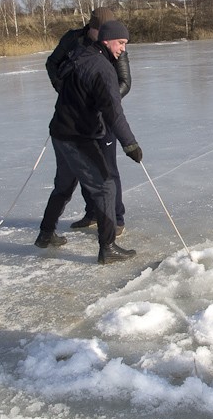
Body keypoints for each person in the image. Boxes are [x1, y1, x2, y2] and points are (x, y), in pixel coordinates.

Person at [35, 20, 143, 264]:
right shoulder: (103, 69)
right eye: (121, 43)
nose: (123, 49)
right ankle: (108, 248)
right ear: (107, 40)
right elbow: (114, 112)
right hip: (77, 137)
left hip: (60, 132)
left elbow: (63, 83)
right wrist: (130, 145)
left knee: (64, 185)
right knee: (105, 187)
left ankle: (45, 234)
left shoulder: (80, 55)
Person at [46, 7, 133, 235]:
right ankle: (93, 213)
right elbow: (53, 64)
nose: (101, 34)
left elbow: (125, 81)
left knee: (107, 170)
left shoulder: (116, 45)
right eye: (97, 30)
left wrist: (102, 99)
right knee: (84, 170)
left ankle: (116, 218)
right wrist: (64, 91)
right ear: (91, 27)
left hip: (104, 117)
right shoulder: (74, 39)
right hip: (75, 119)